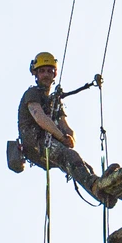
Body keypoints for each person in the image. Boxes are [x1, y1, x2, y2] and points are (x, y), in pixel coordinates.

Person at [16, 51, 106, 201]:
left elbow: (65, 126)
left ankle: (101, 189)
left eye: (49, 71)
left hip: (49, 143)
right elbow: (40, 117)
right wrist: (61, 137)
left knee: (80, 164)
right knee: (69, 156)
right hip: (35, 143)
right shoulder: (31, 93)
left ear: (54, 74)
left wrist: (71, 139)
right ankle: (95, 187)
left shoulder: (54, 102)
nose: (46, 74)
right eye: (42, 71)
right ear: (36, 74)